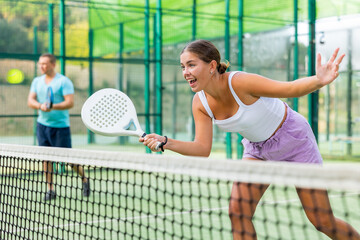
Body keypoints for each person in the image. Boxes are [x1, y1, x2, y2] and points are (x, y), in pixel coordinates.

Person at [140, 40, 360, 239]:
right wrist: (166, 141)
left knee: (322, 222)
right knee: (238, 211)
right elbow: (202, 148)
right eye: (183, 67)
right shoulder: (200, 103)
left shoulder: (240, 82)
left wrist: (319, 80)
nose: (185, 72)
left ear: (212, 65)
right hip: (258, 150)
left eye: (191, 65)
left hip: (295, 141)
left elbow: (290, 88)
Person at [27, 53, 90, 201]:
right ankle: (50, 190)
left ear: (53, 65)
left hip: (61, 127)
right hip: (42, 126)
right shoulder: (37, 81)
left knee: (68, 159)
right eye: (40, 64)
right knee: (46, 159)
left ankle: (85, 180)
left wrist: (52, 106)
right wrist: (40, 106)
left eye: (45, 64)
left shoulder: (64, 82)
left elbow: (70, 102)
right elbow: (30, 100)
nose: (41, 66)